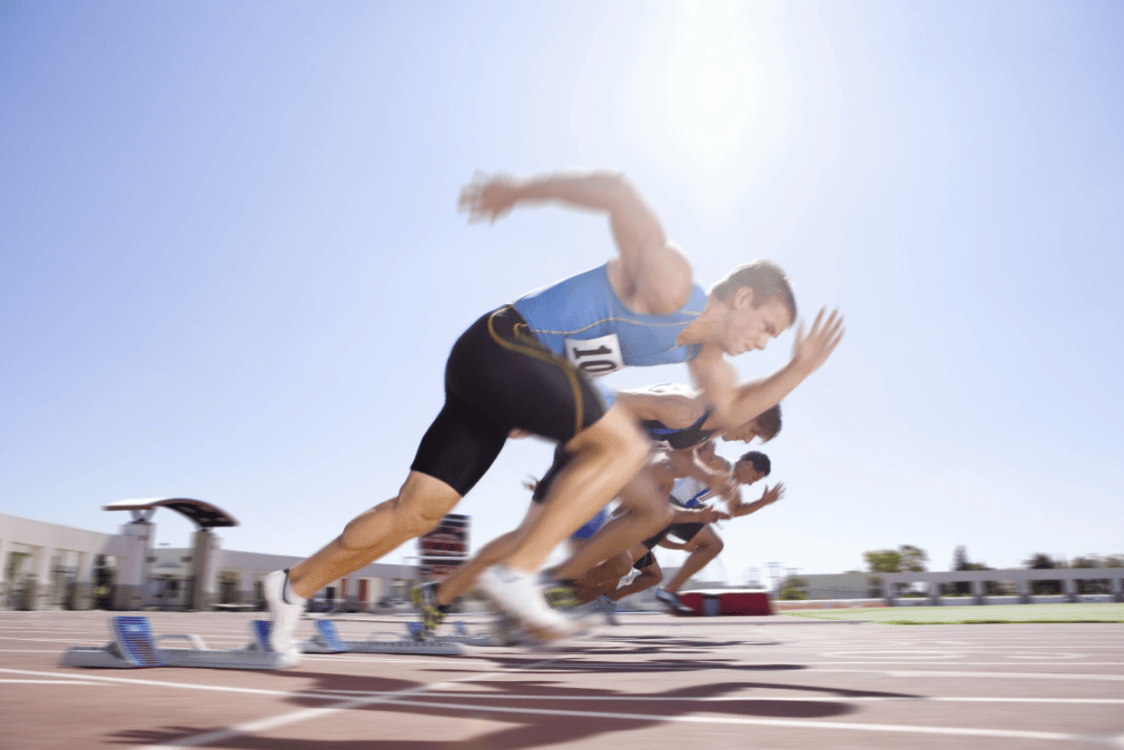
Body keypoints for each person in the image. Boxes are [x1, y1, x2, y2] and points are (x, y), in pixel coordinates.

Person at [264, 169, 844, 665]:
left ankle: (290, 590)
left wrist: (801, 368)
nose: (764, 343)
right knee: (625, 447)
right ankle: (520, 573)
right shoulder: (671, 284)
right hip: (502, 343)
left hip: (496, 381)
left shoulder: (705, 357)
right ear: (743, 298)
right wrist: (519, 191)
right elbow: (619, 192)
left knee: (416, 512)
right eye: (768, 328)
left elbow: (737, 408)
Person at [412, 393, 781, 633]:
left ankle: (444, 595)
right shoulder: (686, 408)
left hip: (607, 466)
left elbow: (679, 457)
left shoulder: (701, 435)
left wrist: (710, 477)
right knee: (648, 514)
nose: (747, 440)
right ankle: (540, 585)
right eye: (752, 430)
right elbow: (609, 399)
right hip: (585, 451)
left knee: (647, 517)